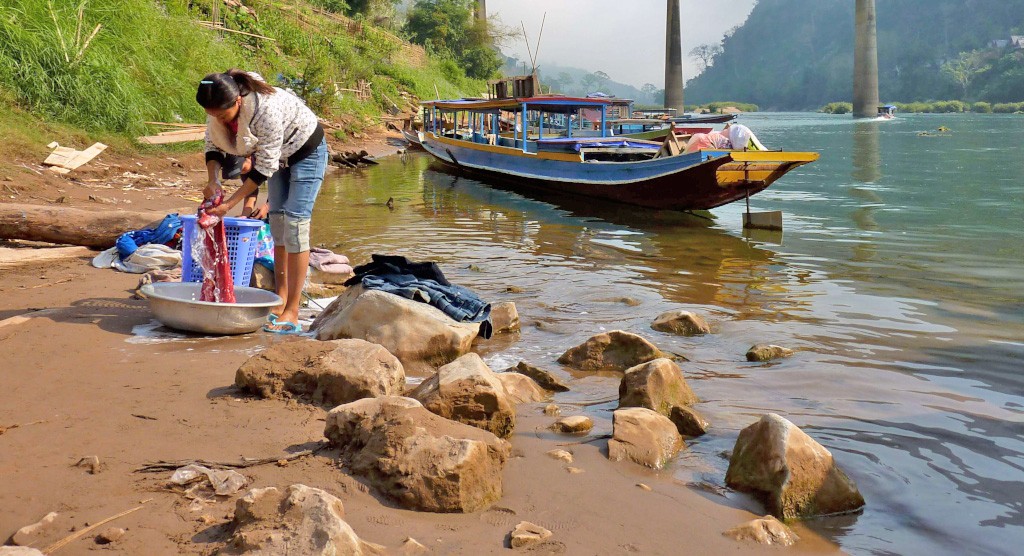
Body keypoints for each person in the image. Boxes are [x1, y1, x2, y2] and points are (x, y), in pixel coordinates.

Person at [196, 69, 328, 334]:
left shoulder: (265, 110)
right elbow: (213, 145)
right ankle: (279, 300)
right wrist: (213, 180)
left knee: (295, 225)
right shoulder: (220, 107)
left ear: (237, 102)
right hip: (280, 158)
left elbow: (261, 170)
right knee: (277, 221)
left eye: (222, 115)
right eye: (213, 116)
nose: (217, 119)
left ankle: (293, 310)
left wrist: (228, 204)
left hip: (307, 151)